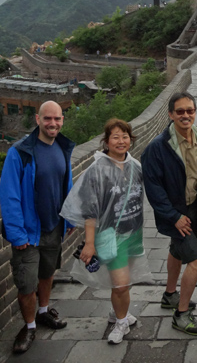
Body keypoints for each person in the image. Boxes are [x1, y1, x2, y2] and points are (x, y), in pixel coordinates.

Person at [60, 119, 152, 344]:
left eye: (125, 136)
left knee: (124, 283)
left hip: (133, 233)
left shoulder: (135, 166)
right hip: (110, 235)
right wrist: (89, 243)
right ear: (106, 141)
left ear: (131, 139)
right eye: (116, 137)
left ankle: (118, 312)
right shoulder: (97, 170)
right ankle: (121, 322)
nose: (121, 141)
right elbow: (90, 210)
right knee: (120, 283)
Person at [0, 101, 75, 354]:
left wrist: (71, 218)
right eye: (47, 119)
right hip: (29, 233)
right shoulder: (20, 152)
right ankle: (29, 326)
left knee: (47, 273)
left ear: (62, 120)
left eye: (57, 119)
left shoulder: (63, 148)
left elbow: (67, 186)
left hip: (53, 227)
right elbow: (9, 196)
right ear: (37, 119)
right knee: (26, 284)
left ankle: (43, 313)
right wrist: (16, 234)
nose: (53, 123)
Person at [142, 92, 197, 335]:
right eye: (180, 111)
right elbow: (153, 189)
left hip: (194, 208)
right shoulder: (157, 148)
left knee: (176, 249)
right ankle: (181, 315)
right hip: (175, 213)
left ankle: (170, 295)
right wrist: (174, 216)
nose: (185, 115)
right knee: (196, 260)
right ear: (170, 114)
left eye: (190, 111)